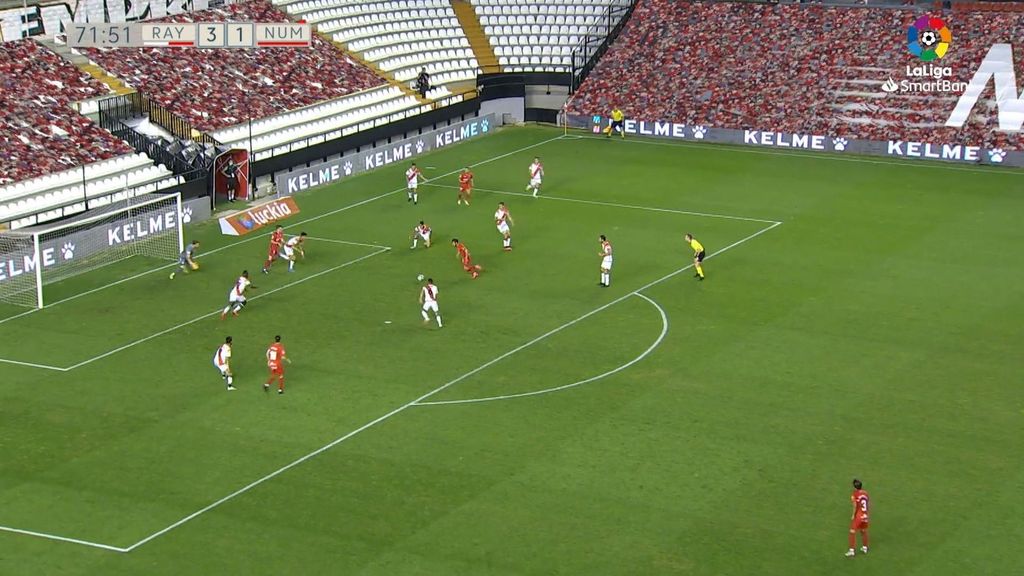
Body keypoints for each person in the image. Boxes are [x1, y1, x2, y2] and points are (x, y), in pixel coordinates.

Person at [846, 479, 870, 557]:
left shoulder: (855, 494)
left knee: (852, 531)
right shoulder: (866, 493)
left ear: (854, 486)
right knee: (863, 531)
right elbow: (867, 503)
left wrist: (853, 515)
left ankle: (851, 551)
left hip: (859, 516)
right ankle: (865, 548)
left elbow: (855, 505)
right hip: (865, 515)